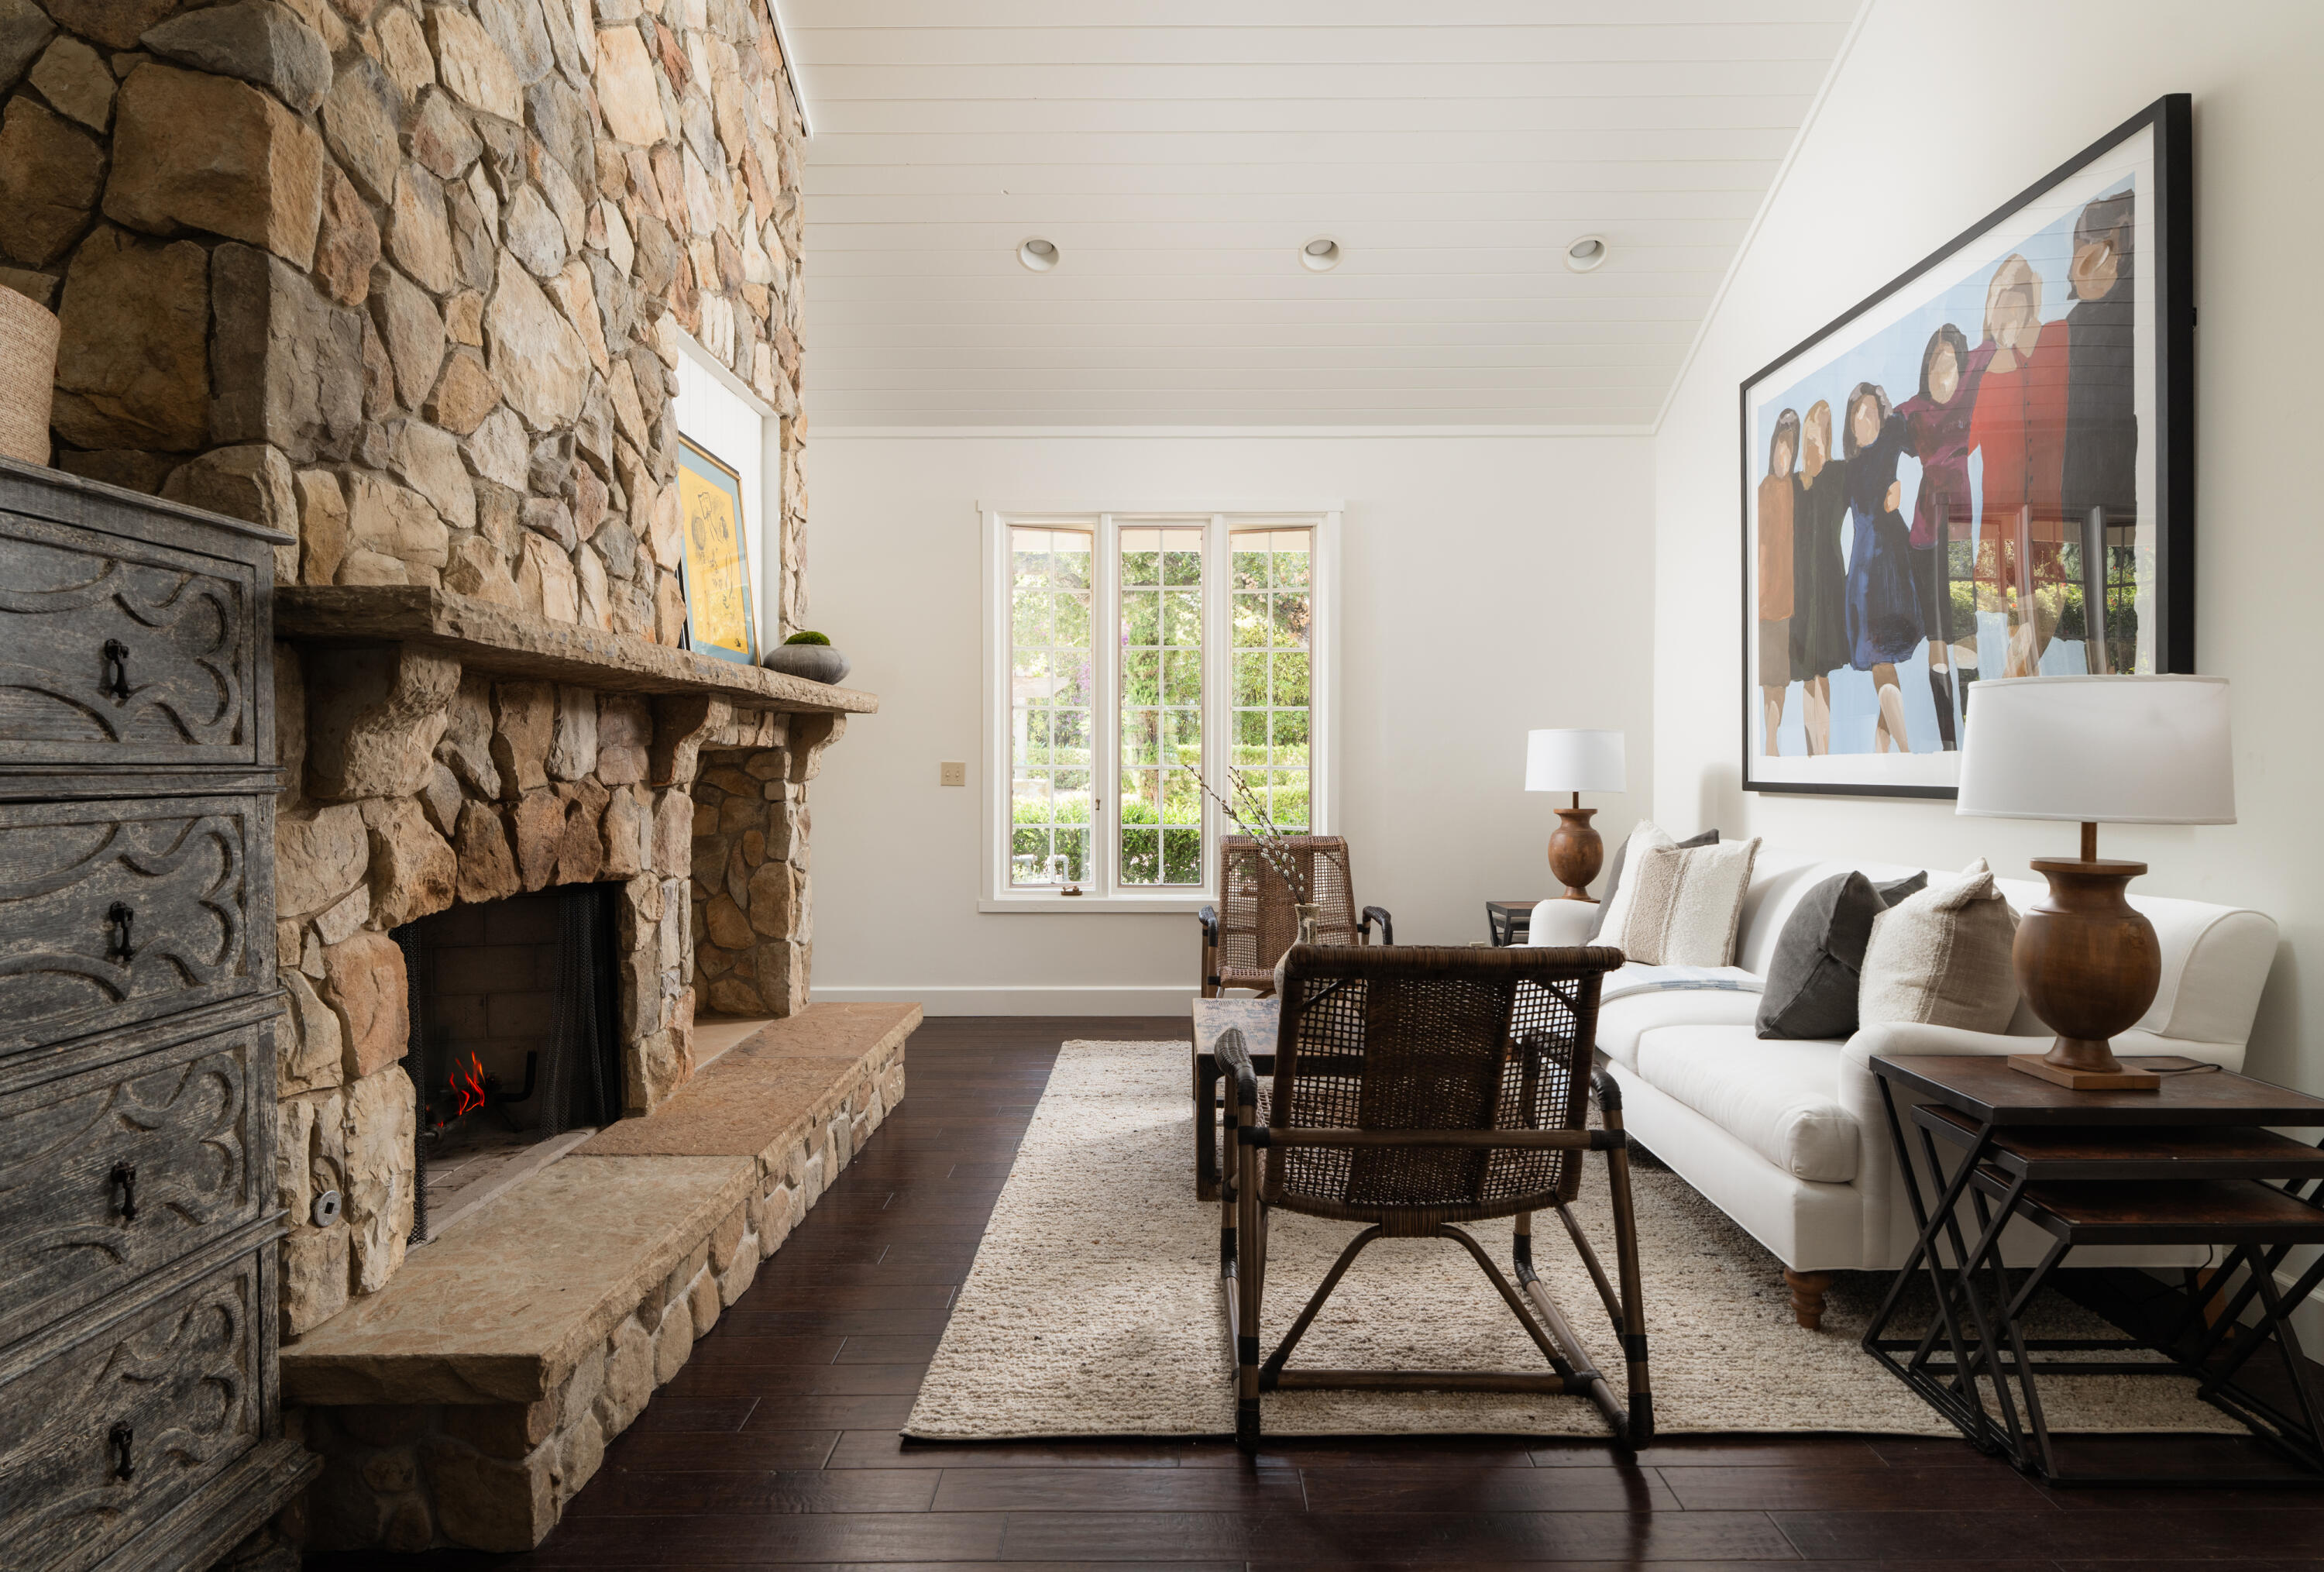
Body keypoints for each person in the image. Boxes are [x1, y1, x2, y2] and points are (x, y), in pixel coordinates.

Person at [1966, 253, 2072, 676]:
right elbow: (1955, 441)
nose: (2007, 309)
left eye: (2016, 297)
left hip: (2050, 527)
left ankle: (2009, 703)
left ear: (2032, 299)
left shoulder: (2058, 341)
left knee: (2040, 624)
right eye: (2000, 300)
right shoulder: (1980, 372)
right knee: (2023, 639)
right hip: (2002, 533)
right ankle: (2013, 706)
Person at [1897, 323, 1991, 749]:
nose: (1942, 368)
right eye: (1936, 360)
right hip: (1922, 538)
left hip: (1956, 536)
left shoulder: (1969, 397)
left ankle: (1976, 737)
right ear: (1927, 367)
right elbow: (1879, 439)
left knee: (1965, 635)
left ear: (1960, 366)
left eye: (1950, 360)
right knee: (1937, 639)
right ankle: (1949, 743)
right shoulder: (1912, 411)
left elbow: (1989, 350)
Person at [2061, 190, 2137, 673]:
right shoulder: (2069, 327)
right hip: (2080, 495)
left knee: (2124, 613)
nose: (2071, 271)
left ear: (2111, 247)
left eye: (2079, 252)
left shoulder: (2136, 315)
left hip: (2123, 492)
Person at [1841, 382, 1920, 753]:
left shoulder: (1890, 440)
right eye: (1857, 412)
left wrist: (1889, 405)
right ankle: (1895, 755)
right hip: (1863, 575)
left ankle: (1897, 756)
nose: (1863, 417)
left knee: (1883, 663)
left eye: (1870, 410)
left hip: (1890, 565)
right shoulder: (1848, 468)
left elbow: (1910, 435)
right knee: (1881, 665)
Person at [1788, 400, 1850, 754]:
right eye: (1813, 429)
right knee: (1805, 676)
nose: (1816, 438)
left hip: (1827, 584)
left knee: (1821, 673)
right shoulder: (1793, 486)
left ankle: (1822, 753)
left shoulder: (1839, 475)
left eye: (1823, 432)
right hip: (1798, 589)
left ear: (1828, 438)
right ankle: (1812, 753)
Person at [1756, 409, 1801, 755]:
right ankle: (1770, 742)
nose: (1783, 456)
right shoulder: (1761, 492)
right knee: (1769, 678)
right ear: (1772, 449)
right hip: (1765, 604)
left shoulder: (1798, 489)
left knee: (1781, 680)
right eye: (1779, 448)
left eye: (1789, 449)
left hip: (1789, 604)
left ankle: (1774, 738)